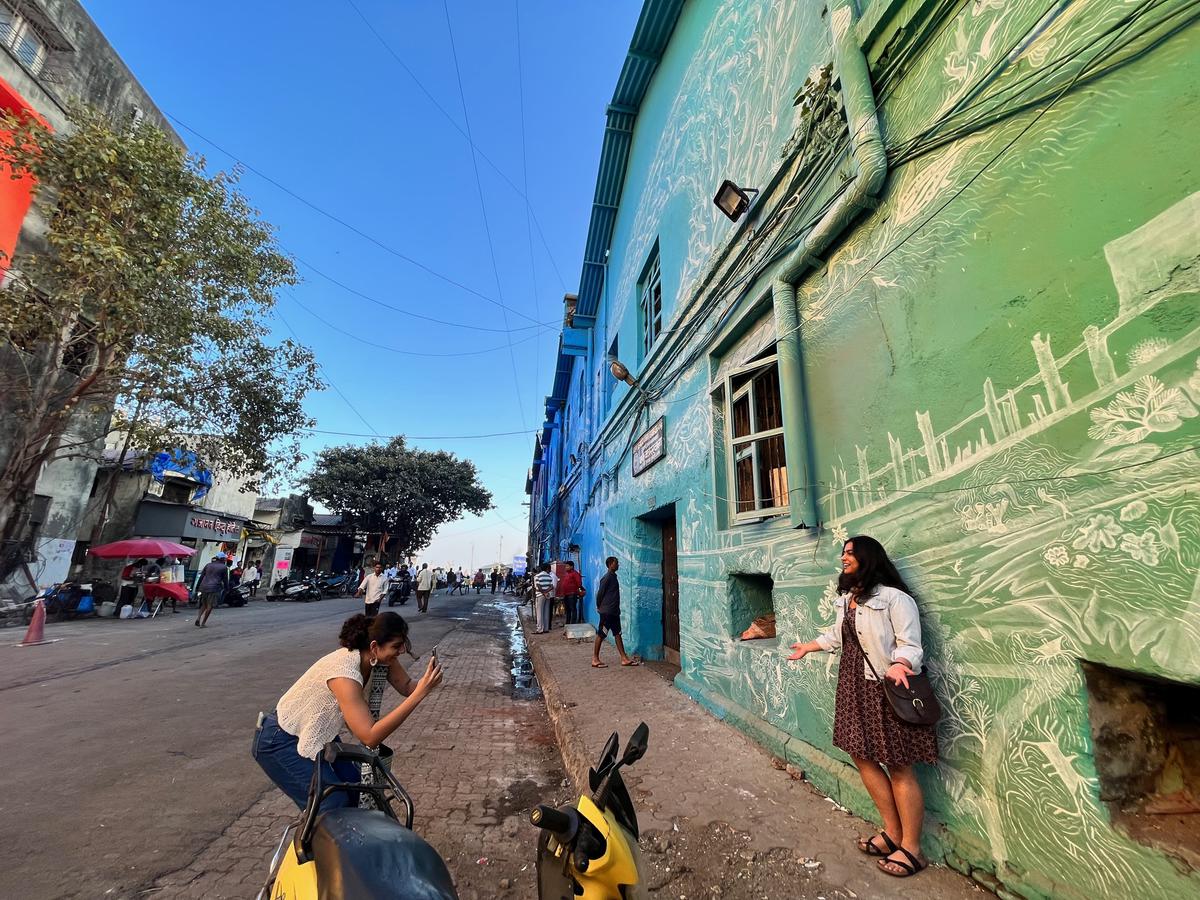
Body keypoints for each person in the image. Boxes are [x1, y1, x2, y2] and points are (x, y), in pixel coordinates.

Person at [787, 536, 936, 879]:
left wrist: (901, 664)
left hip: (886, 688)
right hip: (854, 687)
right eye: (843, 552)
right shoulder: (848, 600)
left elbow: (911, 644)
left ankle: (912, 848)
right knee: (862, 755)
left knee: (899, 765)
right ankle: (892, 832)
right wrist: (808, 647)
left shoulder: (895, 599)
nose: (843, 557)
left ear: (868, 558)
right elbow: (837, 636)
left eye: (851, 552)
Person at [252, 612, 443, 812]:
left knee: (359, 789)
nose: (401, 651)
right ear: (374, 647)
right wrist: (420, 695)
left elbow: (406, 686)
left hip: (318, 734)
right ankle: (311, 841)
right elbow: (370, 736)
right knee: (331, 803)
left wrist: (428, 680)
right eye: (396, 646)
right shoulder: (345, 675)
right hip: (278, 740)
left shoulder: (381, 659)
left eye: (403, 645)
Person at [592, 557, 636, 666]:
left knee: (617, 634)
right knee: (601, 634)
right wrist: (599, 606)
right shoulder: (607, 578)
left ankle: (624, 658)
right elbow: (600, 594)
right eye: (616, 563)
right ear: (611, 564)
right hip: (607, 613)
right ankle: (595, 659)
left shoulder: (613, 577)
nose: (618, 565)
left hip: (614, 612)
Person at [195, 552, 229, 627]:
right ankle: (203, 623)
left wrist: (197, 587)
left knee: (204, 604)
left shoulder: (208, 565)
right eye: (224, 558)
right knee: (210, 606)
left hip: (204, 587)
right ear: (222, 559)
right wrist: (227, 589)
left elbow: (201, 577)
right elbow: (225, 580)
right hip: (214, 588)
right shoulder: (223, 567)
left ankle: (198, 618)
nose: (225, 560)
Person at [557, 561, 585, 627]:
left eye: (567, 566)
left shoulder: (575, 574)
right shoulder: (567, 574)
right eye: (565, 566)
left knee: (573, 609)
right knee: (568, 610)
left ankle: (573, 624)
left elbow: (579, 583)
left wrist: (578, 590)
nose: (566, 568)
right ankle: (568, 623)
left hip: (572, 594)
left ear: (571, 566)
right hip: (566, 594)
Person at [532, 563, 556, 634]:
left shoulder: (537, 576)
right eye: (550, 569)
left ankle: (539, 629)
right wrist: (546, 592)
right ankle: (546, 628)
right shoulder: (549, 576)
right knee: (546, 612)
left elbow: (538, 587)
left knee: (539, 612)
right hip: (547, 595)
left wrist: (543, 592)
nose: (550, 570)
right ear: (547, 569)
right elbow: (552, 586)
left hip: (540, 595)